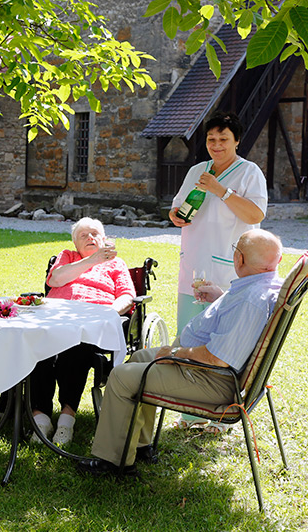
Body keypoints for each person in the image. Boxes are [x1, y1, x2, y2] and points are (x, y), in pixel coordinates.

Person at [76, 229, 283, 477]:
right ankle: (139, 446)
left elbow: (218, 358)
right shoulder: (263, 283)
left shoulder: (252, 300)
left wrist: (176, 352)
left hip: (212, 379)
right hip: (210, 373)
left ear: (239, 259)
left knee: (122, 377)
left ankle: (114, 463)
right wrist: (220, 297)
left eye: (235, 251)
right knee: (142, 358)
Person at [168, 110, 268, 434]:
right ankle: (189, 412)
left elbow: (255, 213)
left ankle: (221, 417)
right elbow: (178, 205)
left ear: (236, 141)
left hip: (229, 269)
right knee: (190, 335)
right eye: (211, 139)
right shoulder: (198, 170)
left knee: (222, 345)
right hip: (193, 264)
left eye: (224, 139)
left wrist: (221, 190)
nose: (216, 144)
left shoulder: (249, 173)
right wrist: (175, 215)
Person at [28, 217, 135, 445]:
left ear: (104, 239)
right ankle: (41, 417)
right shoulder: (67, 256)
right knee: (37, 344)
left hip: (93, 321)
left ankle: (67, 419)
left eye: (95, 233)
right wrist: (92, 260)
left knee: (77, 348)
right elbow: (55, 279)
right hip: (56, 317)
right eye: (83, 235)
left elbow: (127, 296)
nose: (90, 238)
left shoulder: (116, 264)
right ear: (75, 243)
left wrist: (108, 313)